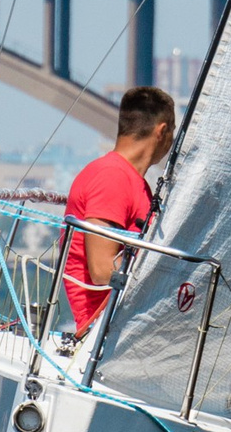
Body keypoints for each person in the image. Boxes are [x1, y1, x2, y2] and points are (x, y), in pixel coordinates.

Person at [60, 86, 175, 331]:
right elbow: (102, 269)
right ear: (162, 131)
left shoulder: (132, 181)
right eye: (173, 131)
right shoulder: (112, 177)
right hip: (103, 332)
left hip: (125, 325)